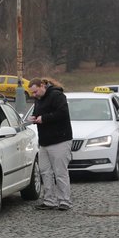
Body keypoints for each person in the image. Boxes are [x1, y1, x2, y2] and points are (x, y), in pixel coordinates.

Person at [27, 77, 73, 211]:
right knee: (45, 171)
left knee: (60, 172)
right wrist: (34, 118)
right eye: (32, 93)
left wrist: (44, 119)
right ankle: (49, 200)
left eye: (35, 92)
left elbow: (63, 113)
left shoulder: (57, 95)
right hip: (44, 141)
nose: (34, 95)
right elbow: (38, 113)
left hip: (60, 140)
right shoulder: (38, 99)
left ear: (42, 86)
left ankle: (64, 200)